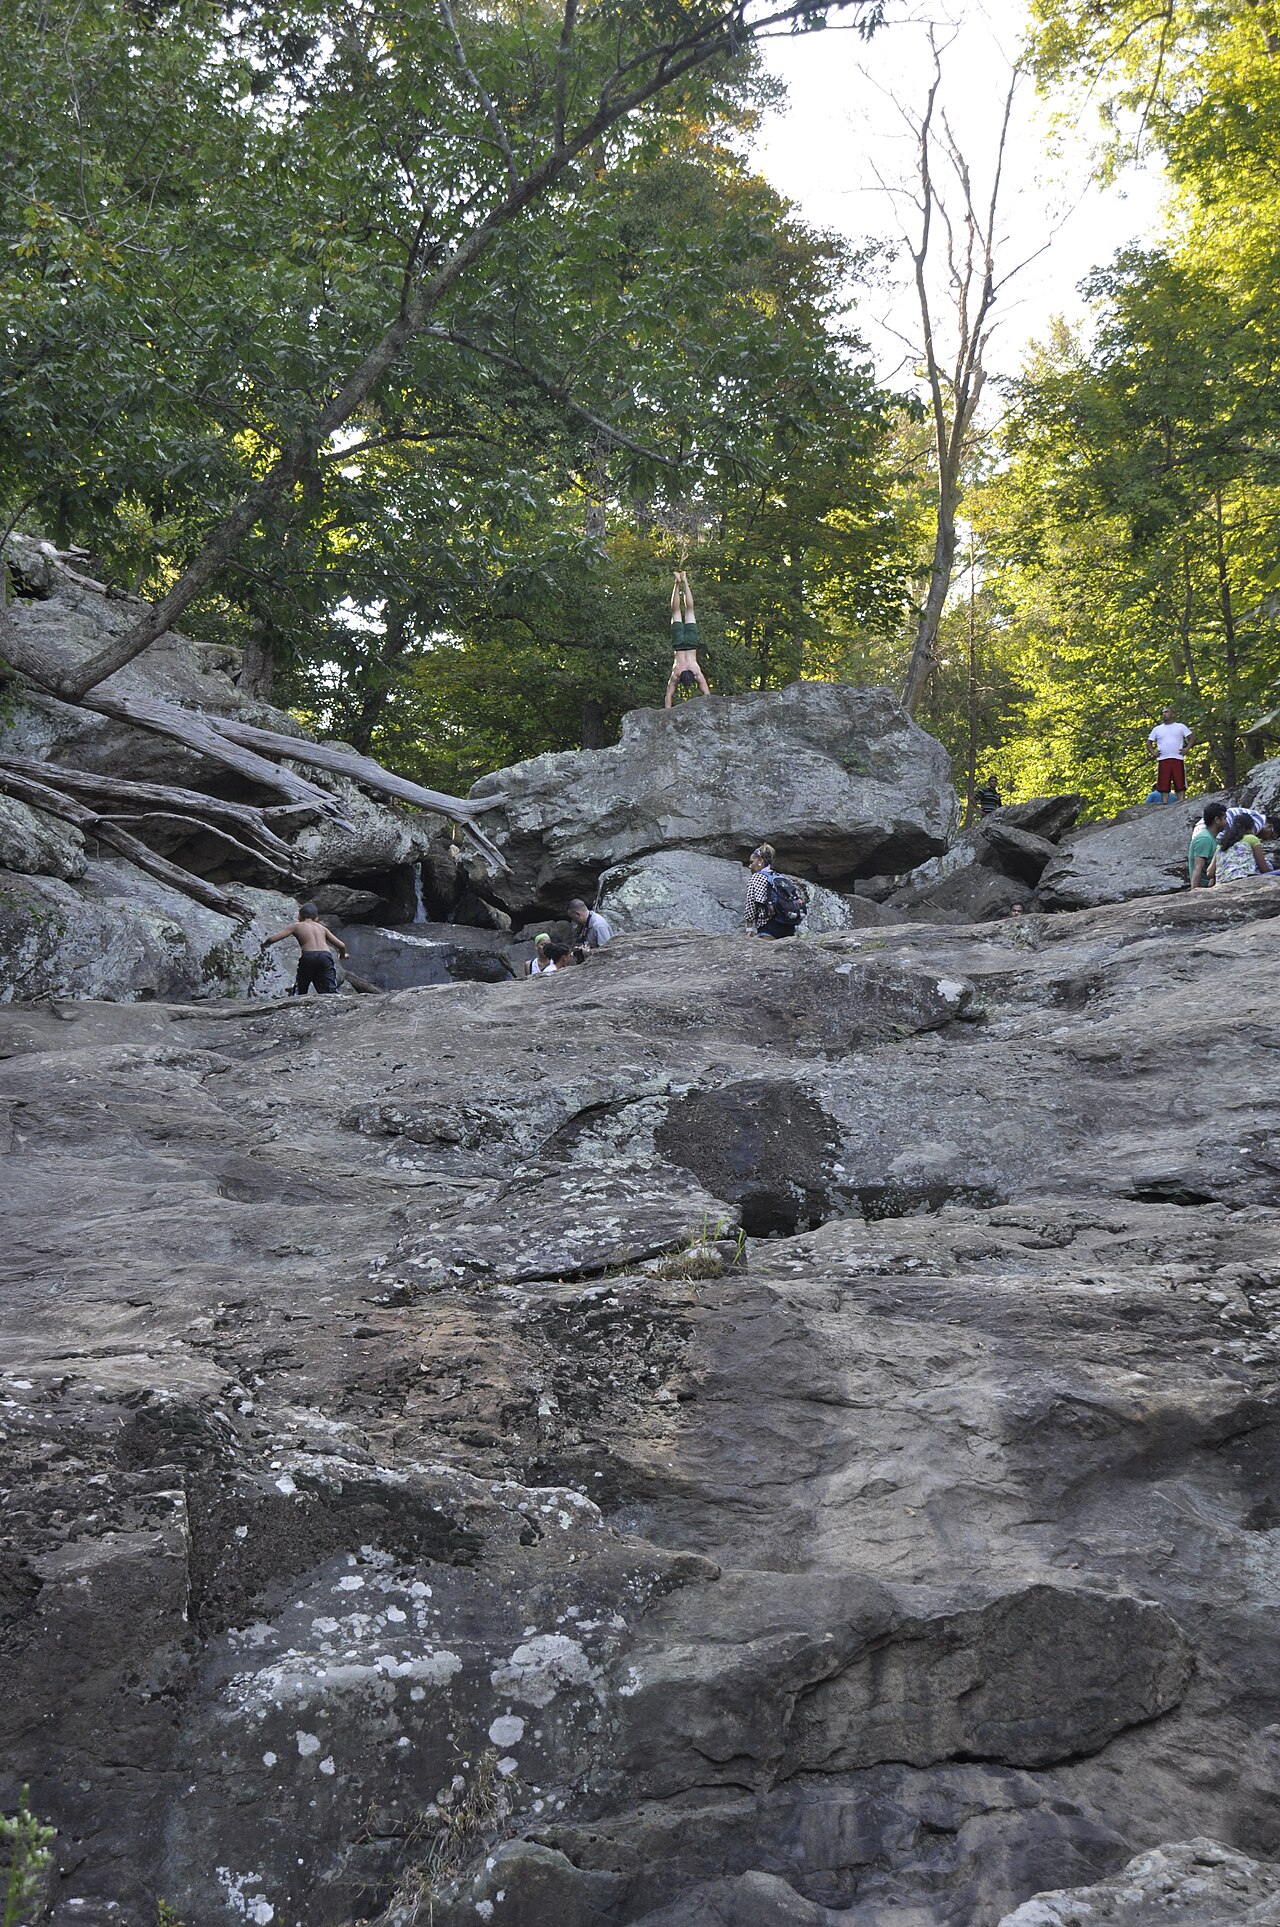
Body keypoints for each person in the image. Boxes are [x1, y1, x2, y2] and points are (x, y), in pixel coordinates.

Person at [263, 901, 348, 995]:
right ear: (316, 918)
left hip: (308, 956)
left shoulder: (296, 926)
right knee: (329, 987)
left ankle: (298, 996)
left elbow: (272, 939)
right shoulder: (322, 928)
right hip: (325, 956)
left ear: (299, 916)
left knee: (302, 984)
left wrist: (265, 944)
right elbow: (341, 945)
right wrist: (342, 955)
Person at [664, 570, 710, 708]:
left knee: (690, 610)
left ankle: (683, 581)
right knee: (676, 611)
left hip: (691, 644)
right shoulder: (676, 673)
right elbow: (668, 697)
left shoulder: (696, 672)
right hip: (678, 644)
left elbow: (707, 694)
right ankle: (678, 583)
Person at [744, 843, 806, 938]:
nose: (750, 866)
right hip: (788, 924)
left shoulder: (756, 878)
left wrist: (749, 929)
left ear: (760, 861)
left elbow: (751, 904)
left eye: (752, 862)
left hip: (769, 926)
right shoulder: (779, 877)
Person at [1146, 705, 1195, 802]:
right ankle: (1165, 802)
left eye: (1166, 712)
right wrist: (1153, 752)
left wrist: (1187, 748)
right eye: (1162, 713)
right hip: (1163, 758)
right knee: (1163, 782)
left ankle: (1181, 800)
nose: (1164, 714)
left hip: (1177, 757)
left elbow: (1192, 737)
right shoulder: (1157, 729)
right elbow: (1149, 743)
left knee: (1179, 780)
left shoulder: (1180, 727)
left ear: (1173, 714)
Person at [1208, 812, 1270, 885]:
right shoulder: (1252, 839)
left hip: (1222, 884)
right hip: (1246, 882)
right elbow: (1264, 869)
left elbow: (1209, 873)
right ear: (1250, 827)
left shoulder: (1222, 844)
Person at [1188, 801, 1228, 889]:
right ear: (1217, 820)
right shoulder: (1204, 839)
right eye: (1225, 818)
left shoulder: (1212, 838)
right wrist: (1194, 894)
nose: (1226, 822)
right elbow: (1197, 867)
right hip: (1204, 889)